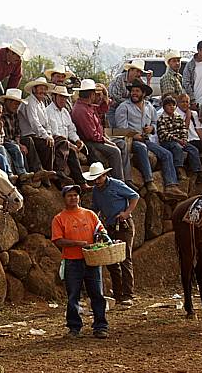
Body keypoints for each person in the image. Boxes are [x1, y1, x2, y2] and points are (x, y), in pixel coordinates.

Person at [51, 184, 109, 339]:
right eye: (69, 195)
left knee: (97, 294)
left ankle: (101, 326)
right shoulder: (59, 219)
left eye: (76, 195)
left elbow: (101, 230)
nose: (73, 198)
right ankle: (74, 328)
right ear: (64, 198)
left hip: (92, 259)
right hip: (72, 261)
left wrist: (103, 238)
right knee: (73, 296)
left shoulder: (90, 214)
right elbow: (58, 241)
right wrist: (78, 244)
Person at [115, 79, 187, 199]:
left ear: (143, 93)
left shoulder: (149, 106)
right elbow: (120, 128)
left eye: (137, 91)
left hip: (146, 139)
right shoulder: (124, 107)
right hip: (130, 141)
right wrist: (134, 135)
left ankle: (171, 186)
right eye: (132, 91)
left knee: (167, 154)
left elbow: (155, 122)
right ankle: (149, 182)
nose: (134, 93)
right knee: (142, 148)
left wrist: (151, 128)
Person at [84, 162, 139, 306]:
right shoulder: (96, 191)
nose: (96, 181)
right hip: (108, 226)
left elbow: (134, 196)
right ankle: (118, 293)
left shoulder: (116, 184)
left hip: (123, 225)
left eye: (99, 178)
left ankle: (128, 294)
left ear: (104, 175)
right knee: (112, 261)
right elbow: (95, 209)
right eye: (94, 179)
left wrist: (126, 213)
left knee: (125, 258)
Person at [71, 79, 135, 189]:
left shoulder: (87, 106)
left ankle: (126, 179)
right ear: (91, 94)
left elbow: (102, 109)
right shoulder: (81, 110)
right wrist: (107, 141)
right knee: (115, 151)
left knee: (121, 144)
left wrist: (106, 95)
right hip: (90, 142)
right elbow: (91, 135)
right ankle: (119, 183)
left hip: (98, 138)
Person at [0, 88, 54, 185]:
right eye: (15, 103)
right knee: (24, 144)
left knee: (28, 142)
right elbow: (3, 136)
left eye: (18, 103)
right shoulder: (1, 115)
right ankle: (27, 178)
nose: (17, 106)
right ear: (8, 102)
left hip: (15, 140)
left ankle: (38, 172)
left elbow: (17, 132)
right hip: (5, 141)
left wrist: (18, 142)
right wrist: (18, 144)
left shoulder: (14, 114)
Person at [45, 85, 89, 188]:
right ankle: (78, 182)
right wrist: (70, 144)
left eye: (64, 97)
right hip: (55, 142)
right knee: (70, 150)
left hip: (65, 142)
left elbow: (71, 129)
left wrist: (77, 140)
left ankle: (80, 181)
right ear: (54, 97)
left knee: (76, 149)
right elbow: (54, 133)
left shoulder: (65, 112)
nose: (63, 100)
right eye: (60, 97)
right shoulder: (48, 111)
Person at [157, 96, 202, 182]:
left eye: (173, 105)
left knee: (193, 149)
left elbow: (183, 129)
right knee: (177, 148)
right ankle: (179, 169)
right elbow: (163, 134)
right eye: (169, 105)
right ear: (164, 107)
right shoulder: (162, 118)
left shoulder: (178, 117)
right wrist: (177, 140)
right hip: (167, 142)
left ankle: (197, 172)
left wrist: (183, 139)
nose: (171, 107)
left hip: (180, 140)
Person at [0, 101, 33, 183]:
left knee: (15, 147)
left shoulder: (0, 123)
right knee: (1, 149)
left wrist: (1, 138)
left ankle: (22, 172)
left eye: (0, 112)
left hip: (1, 142)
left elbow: (3, 134)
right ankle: (9, 173)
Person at [107, 59, 152, 127]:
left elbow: (146, 97)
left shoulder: (140, 81)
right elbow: (115, 98)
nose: (139, 74)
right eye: (137, 71)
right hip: (115, 109)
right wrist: (133, 102)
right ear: (130, 70)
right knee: (117, 131)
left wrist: (148, 81)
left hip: (131, 111)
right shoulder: (118, 79)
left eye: (140, 72)